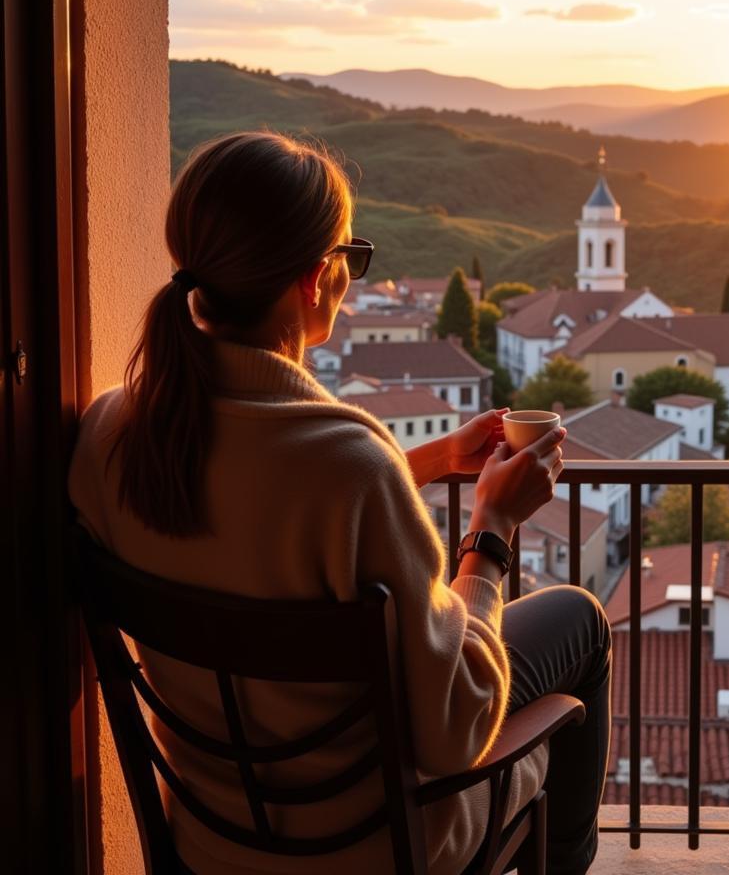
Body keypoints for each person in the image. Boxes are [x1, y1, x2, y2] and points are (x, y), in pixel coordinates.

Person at [69, 131, 610, 875]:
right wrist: (493, 530)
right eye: (350, 262)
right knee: (580, 619)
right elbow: (457, 727)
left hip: (214, 837)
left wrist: (423, 462)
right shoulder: (350, 468)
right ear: (316, 277)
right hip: (381, 846)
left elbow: (255, 505)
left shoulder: (110, 431)